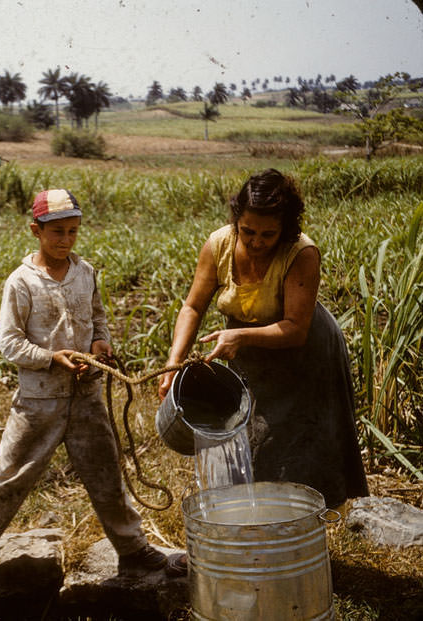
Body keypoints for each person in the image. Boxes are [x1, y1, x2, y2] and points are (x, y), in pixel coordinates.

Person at [0, 189, 167, 586]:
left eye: (73, 232)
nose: (65, 240)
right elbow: (9, 343)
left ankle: (133, 550)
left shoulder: (85, 272)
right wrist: (51, 357)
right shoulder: (22, 282)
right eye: (57, 232)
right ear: (36, 230)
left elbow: (98, 319)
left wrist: (99, 344)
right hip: (39, 399)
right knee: (8, 477)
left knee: (106, 475)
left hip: (86, 398)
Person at [157, 170, 368, 575]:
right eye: (247, 231)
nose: (255, 242)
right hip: (250, 353)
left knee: (293, 450)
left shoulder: (300, 254)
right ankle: (236, 542)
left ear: (286, 230)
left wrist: (240, 336)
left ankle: (291, 550)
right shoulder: (219, 244)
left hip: (304, 358)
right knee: (239, 444)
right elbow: (193, 307)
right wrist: (173, 362)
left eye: (267, 235)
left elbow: (294, 329)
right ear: (236, 220)